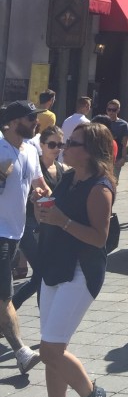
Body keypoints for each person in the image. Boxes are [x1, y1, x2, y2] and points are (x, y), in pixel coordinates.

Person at [36, 121, 115, 397]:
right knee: (51, 348)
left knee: (50, 349)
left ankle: (92, 395)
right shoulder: (69, 177)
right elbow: (58, 214)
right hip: (55, 267)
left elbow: (99, 239)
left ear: (90, 152)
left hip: (81, 272)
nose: (65, 148)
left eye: (72, 144)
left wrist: (61, 220)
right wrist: (42, 205)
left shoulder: (100, 188)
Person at [0, 99, 49, 374]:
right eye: (31, 118)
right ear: (16, 121)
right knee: (4, 296)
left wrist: (42, 195)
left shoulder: (30, 149)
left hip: (18, 230)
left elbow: (38, 184)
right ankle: (21, 351)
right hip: (0, 234)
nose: (36, 122)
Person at [13, 125, 65, 309]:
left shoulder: (61, 168)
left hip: (49, 227)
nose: (57, 148)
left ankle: (8, 313)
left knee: (41, 275)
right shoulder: (35, 167)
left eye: (61, 144)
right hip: (30, 226)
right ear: (42, 145)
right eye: (52, 144)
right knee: (42, 273)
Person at [102, 100, 128, 181]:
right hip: (102, 158)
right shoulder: (102, 121)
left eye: (113, 110)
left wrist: (123, 158)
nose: (111, 112)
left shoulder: (123, 124)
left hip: (116, 158)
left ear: (118, 110)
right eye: (109, 109)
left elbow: (125, 143)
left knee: (113, 182)